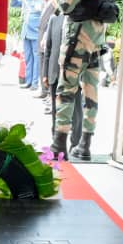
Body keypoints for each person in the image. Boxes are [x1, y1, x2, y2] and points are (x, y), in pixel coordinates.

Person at [51, 0, 121, 161]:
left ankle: (59, 144)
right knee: (91, 92)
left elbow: (66, 4)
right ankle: (85, 144)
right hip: (97, 39)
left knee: (66, 89)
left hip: (77, 38)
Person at [43, 8, 83, 146]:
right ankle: (57, 143)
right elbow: (48, 49)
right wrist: (45, 74)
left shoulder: (81, 20)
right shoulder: (54, 19)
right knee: (56, 110)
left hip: (74, 73)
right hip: (55, 73)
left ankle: (76, 143)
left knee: (76, 111)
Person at [11, 0, 45, 92]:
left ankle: (35, 83)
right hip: (26, 33)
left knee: (36, 59)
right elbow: (13, 4)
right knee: (28, 58)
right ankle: (28, 81)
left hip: (36, 33)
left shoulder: (42, 1)